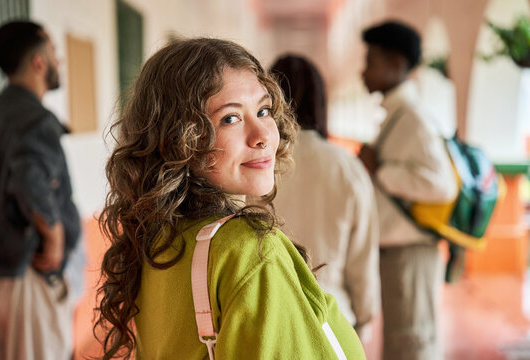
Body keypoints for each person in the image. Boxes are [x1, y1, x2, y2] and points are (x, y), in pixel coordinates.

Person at [96, 38, 366, 359]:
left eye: (263, 110)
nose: (264, 135)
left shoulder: (157, 240)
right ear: (179, 139)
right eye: (230, 118)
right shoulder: (250, 251)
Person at [359, 20, 457, 360]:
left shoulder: (413, 118)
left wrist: (381, 171)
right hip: (399, 250)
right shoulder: (397, 114)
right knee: (403, 339)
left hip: (411, 249)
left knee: (413, 342)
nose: (363, 70)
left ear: (396, 65)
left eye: (370, 61)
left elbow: (441, 186)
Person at [270, 54, 380, 344]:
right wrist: (364, 320)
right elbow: (362, 259)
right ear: (321, 103)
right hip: (334, 319)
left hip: (268, 319)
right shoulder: (348, 169)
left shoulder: (255, 167)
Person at [0, 21, 80, 359]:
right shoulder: (35, 119)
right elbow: (30, 178)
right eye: (54, 51)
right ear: (39, 62)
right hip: (28, 275)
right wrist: (54, 233)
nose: (60, 60)